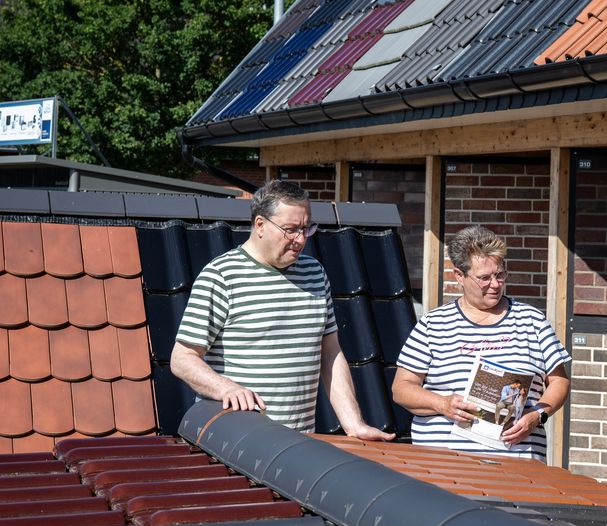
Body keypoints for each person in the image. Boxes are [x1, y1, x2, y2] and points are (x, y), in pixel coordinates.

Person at [170, 179, 394, 440]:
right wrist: (226, 388)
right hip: (235, 443)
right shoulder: (221, 276)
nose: (300, 239)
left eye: (306, 228)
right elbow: (182, 359)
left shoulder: (315, 273)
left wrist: (354, 424)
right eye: (290, 230)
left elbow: (330, 353)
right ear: (260, 225)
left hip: (297, 445)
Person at [392, 225, 570, 460]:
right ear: (459, 276)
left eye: (500, 275)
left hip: (517, 465)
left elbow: (559, 381)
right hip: (443, 465)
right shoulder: (433, 324)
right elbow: (401, 389)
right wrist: (443, 404)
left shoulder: (532, 321)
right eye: (484, 278)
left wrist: (537, 415)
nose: (495, 284)